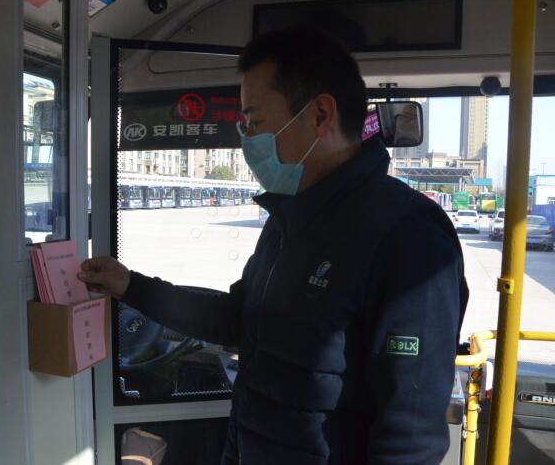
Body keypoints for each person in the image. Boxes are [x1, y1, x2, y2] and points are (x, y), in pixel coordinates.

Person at [78, 26, 468, 465]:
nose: (247, 139)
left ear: (320, 115)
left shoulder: (409, 235)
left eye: (256, 122)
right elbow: (237, 320)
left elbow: (409, 435)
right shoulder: (291, 219)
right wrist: (131, 286)